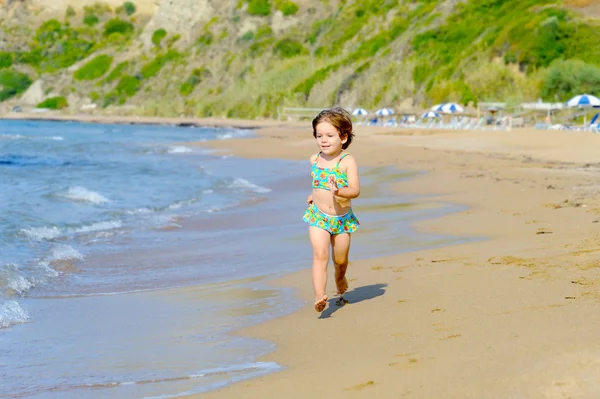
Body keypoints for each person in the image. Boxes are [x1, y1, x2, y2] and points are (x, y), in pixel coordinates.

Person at [303, 107, 360, 313]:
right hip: (318, 217)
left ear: (343, 137)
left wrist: (339, 191)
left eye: (329, 135)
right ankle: (320, 296)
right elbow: (317, 184)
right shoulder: (314, 159)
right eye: (319, 136)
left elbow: (355, 190)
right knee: (320, 254)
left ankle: (340, 277)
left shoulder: (347, 161)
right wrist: (314, 195)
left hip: (341, 219)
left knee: (340, 260)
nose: (323, 140)